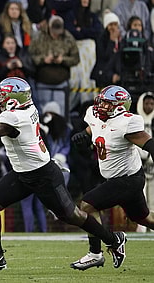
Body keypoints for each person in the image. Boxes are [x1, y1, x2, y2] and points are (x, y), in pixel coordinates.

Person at [0, 72, 127, 272]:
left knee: (73, 216)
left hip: (43, 175)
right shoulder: (25, 107)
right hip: (22, 173)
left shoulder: (16, 117)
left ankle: (113, 239)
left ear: (14, 100)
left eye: (4, 95)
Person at [70, 85, 154, 270]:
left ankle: (99, 251)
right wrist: (83, 136)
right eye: (102, 101)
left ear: (120, 106)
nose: (101, 106)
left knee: (87, 205)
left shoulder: (127, 123)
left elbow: (149, 144)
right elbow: (96, 128)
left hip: (128, 179)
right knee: (145, 219)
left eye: (107, 103)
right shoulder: (94, 114)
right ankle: (106, 246)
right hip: (119, 179)